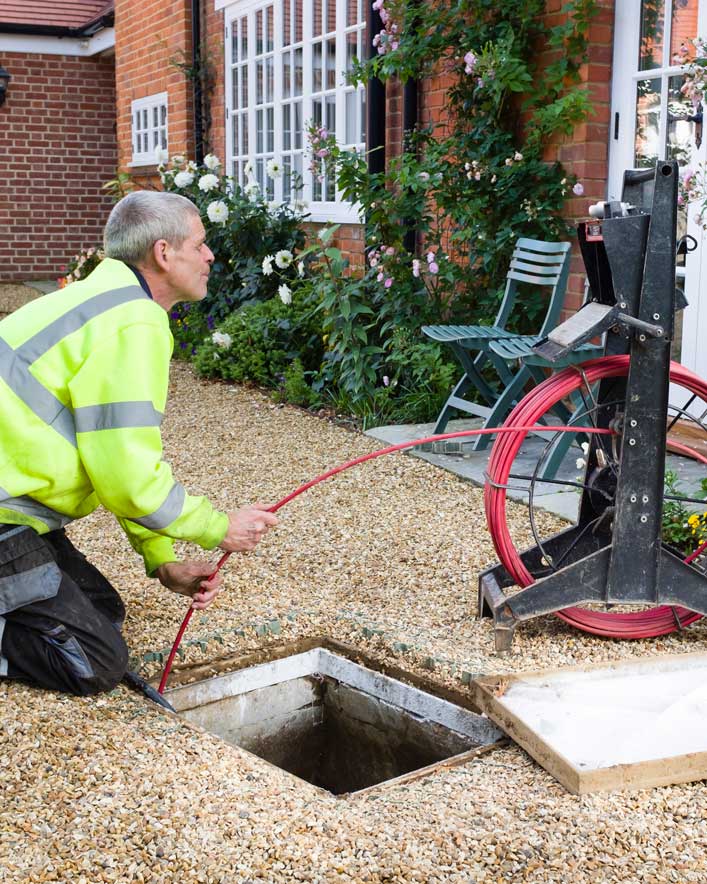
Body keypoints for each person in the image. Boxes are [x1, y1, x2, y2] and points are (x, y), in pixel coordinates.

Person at [0, 191, 278, 696]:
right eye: (202, 243)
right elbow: (129, 478)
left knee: (104, 612)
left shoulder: (105, 303)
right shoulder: (134, 322)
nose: (210, 256)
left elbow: (112, 459)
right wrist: (218, 528)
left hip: (16, 512)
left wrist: (162, 558)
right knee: (92, 661)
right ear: (164, 253)